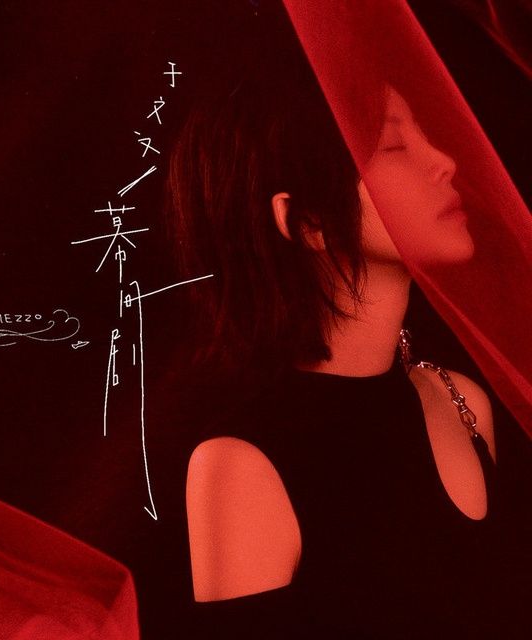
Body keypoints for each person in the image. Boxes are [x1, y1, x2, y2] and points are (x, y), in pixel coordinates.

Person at [136, 2, 531, 637]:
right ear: (307, 223)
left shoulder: (461, 400)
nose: (445, 161)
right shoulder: (239, 465)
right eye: (396, 145)